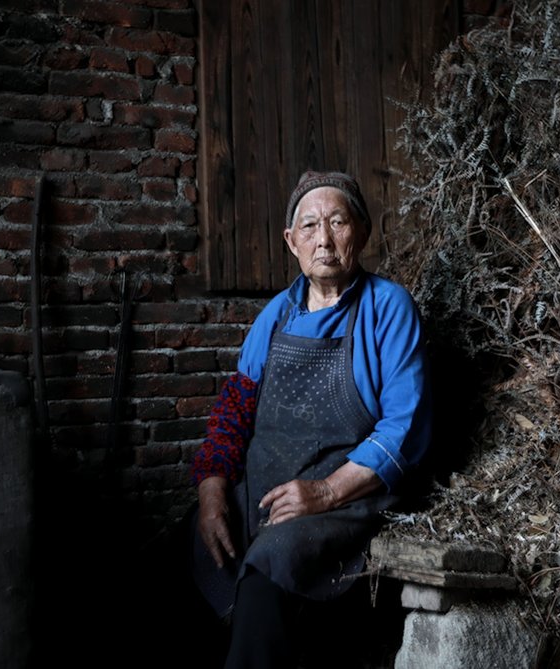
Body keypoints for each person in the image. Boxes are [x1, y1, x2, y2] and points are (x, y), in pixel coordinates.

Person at [188, 170, 431, 668]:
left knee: (270, 564)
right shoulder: (275, 316)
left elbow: (403, 429)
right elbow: (232, 412)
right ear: (290, 242)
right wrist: (212, 491)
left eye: (337, 222)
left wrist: (322, 494)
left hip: (347, 496)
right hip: (267, 491)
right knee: (195, 551)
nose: (323, 239)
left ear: (360, 233)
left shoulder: (389, 308)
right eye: (309, 226)